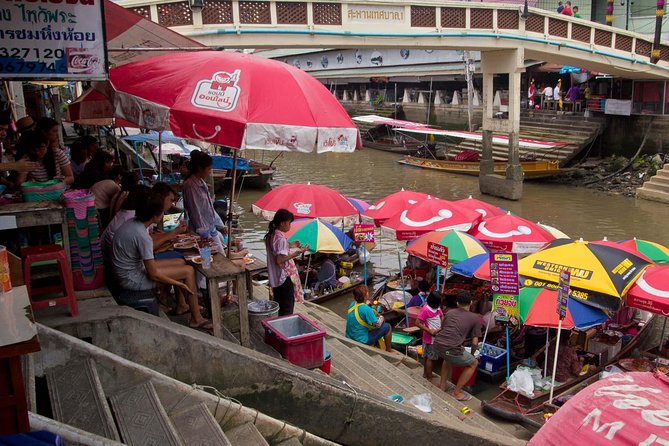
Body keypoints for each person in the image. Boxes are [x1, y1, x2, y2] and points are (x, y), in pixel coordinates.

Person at [111, 191, 211, 330]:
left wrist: (169, 242)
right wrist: (179, 284)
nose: (164, 215)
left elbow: (149, 252)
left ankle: (182, 305)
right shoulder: (141, 235)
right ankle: (197, 319)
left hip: (130, 271)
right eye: (162, 212)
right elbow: (153, 274)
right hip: (132, 280)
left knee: (181, 263)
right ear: (154, 215)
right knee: (187, 271)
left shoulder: (133, 224)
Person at [433, 290, 481, 401]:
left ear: (457, 303)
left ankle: (442, 385)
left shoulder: (449, 312)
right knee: (473, 363)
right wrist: (473, 355)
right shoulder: (475, 318)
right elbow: (475, 343)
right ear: (471, 302)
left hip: (438, 344)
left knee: (447, 357)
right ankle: (457, 392)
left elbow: (444, 329)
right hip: (450, 348)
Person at [265, 209, 308, 315]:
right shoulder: (280, 239)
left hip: (276, 277)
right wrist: (296, 253)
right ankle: (284, 328)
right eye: (289, 223)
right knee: (287, 308)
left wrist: (290, 245)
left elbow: (277, 250)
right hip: (283, 277)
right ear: (282, 223)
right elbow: (279, 260)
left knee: (279, 304)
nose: (290, 225)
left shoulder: (272, 235)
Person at [182, 151, 226, 253]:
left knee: (220, 252)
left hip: (210, 227)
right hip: (201, 231)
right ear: (200, 168)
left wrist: (220, 225)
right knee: (216, 256)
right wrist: (204, 235)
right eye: (209, 169)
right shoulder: (190, 185)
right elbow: (195, 213)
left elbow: (209, 208)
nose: (209, 171)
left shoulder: (201, 182)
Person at [345, 285, 393, 352]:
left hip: (349, 336)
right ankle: (389, 350)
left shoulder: (352, 304)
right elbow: (378, 324)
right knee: (387, 326)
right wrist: (381, 317)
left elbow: (361, 310)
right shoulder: (366, 309)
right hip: (362, 340)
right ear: (366, 296)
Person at [35, 117, 74, 184]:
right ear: (44, 132)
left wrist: (57, 184)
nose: (57, 134)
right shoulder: (28, 156)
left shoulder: (57, 153)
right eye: (54, 131)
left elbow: (70, 177)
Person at [415, 291, 444, 380]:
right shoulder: (425, 309)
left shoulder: (437, 308)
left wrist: (442, 326)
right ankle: (429, 376)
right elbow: (417, 323)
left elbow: (442, 316)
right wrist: (430, 331)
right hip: (430, 337)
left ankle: (426, 373)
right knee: (430, 358)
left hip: (436, 335)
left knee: (428, 357)